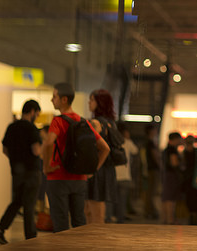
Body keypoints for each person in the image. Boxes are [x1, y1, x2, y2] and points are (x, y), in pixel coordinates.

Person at [42, 82, 110, 233]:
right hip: (79, 179)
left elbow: (47, 143)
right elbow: (105, 148)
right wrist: (92, 170)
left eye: (54, 97)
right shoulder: (83, 122)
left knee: (60, 224)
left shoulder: (58, 121)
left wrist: (46, 166)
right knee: (79, 222)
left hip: (58, 177)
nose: (52, 100)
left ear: (64, 99)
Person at [0, 100, 42, 244]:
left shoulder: (12, 127)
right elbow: (36, 150)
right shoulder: (32, 129)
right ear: (32, 111)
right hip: (32, 172)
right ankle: (30, 239)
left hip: (17, 173)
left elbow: (4, 149)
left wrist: (15, 159)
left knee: (17, 202)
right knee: (29, 206)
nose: (36, 117)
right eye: (36, 114)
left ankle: (0, 228)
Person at [86, 89, 118, 224]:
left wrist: (93, 169)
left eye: (92, 99)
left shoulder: (97, 123)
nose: (89, 102)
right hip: (105, 169)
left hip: (97, 169)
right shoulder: (110, 122)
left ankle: (93, 241)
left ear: (100, 103)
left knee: (94, 211)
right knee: (93, 209)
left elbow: (104, 149)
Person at [114, 121, 138, 223]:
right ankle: (120, 220)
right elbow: (135, 151)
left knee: (113, 200)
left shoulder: (113, 141)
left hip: (114, 176)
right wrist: (128, 138)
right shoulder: (127, 142)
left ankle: (111, 218)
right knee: (122, 201)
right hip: (125, 177)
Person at [162, 131, 183, 224]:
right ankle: (170, 219)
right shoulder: (172, 149)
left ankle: (167, 219)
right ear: (175, 139)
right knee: (171, 197)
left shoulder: (166, 149)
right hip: (172, 174)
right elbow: (174, 163)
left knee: (167, 196)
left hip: (166, 173)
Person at [143, 123, 160, 219]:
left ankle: (149, 210)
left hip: (150, 169)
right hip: (153, 169)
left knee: (150, 191)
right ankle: (149, 211)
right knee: (151, 191)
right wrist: (160, 165)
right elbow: (155, 156)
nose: (156, 132)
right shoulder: (151, 143)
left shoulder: (148, 142)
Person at [182, 135, 197, 224]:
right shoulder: (196, 152)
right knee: (195, 198)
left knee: (190, 198)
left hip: (187, 177)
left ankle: (191, 217)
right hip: (194, 177)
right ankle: (194, 217)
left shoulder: (184, 152)